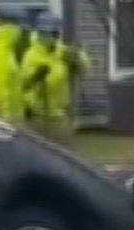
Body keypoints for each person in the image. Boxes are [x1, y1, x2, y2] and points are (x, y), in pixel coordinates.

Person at [21, 12, 90, 141]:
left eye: (54, 33)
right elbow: (24, 84)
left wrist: (77, 57)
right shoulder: (31, 55)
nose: (51, 38)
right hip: (39, 117)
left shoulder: (61, 51)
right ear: (40, 33)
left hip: (60, 116)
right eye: (48, 33)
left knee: (63, 153)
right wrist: (35, 76)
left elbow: (85, 68)